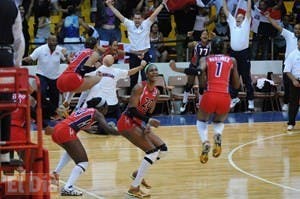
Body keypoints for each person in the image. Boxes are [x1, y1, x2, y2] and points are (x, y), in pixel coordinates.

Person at [169, 37, 240, 163]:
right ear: (224, 48)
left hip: (210, 94)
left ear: (211, 48)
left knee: (201, 121)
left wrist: (177, 69)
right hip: (224, 96)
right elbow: (236, 85)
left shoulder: (206, 59)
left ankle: (205, 141)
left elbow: (198, 72)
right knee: (218, 122)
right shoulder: (232, 60)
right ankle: (217, 135)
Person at [45, 97, 119, 196]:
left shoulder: (84, 110)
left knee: (70, 152)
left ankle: (54, 173)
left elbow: (75, 121)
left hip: (57, 129)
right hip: (66, 130)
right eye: (106, 108)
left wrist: (87, 129)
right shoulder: (96, 113)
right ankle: (68, 188)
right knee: (83, 162)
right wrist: (124, 133)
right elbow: (108, 130)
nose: (107, 110)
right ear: (102, 107)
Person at [117, 63, 168, 198]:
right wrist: (148, 121)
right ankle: (134, 188)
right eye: (151, 70)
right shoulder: (139, 87)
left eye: (156, 70)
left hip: (139, 122)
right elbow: (132, 109)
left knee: (162, 150)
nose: (154, 72)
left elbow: (149, 112)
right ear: (146, 74)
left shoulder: (156, 91)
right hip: (127, 121)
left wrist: (147, 123)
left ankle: (138, 173)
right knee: (151, 152)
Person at [106, 0, 168, 92]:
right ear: (133, 18)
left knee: (145, 79)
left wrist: (163, 4)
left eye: (139, 18)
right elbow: (119, 15)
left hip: (145, 55)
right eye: (135, 18)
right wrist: (109, 5)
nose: (137, 20)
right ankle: (132, 102)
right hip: (134, 56)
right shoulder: (129, 24)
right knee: (133, 80)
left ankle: (144, 98)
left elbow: (155, 14)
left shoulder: (146, 23)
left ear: (142, 19)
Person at [82, 55, 147, 122]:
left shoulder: (96, 71)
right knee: (117, 110)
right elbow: (130, 72)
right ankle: (120, 122)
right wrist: (141, 67)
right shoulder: (116, 71)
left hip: (98, 105)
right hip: (112, 104)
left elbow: (83, 75)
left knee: (88, 104)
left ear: (103, 61)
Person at [0, 0, 25, 163]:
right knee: (5, 104)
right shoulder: (11, 6)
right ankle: (4, 153)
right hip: (5, 56)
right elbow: (18, 39)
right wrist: (16, 64)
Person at [23, 35, 67, 120]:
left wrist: (67, 55)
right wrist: (22, 59)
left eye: (55, 41)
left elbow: (66, 59)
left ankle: (53, 114)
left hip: (55, 76)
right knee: (41, 93)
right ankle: (36, 113)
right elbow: (31, 58)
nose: (53, 43)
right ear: (47, 41)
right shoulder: (40, 49)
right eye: (51, 41)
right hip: (42, 75)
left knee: (55, 96)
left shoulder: (60, 50)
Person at [223, 0, 255, 111]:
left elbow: (249, 11)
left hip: (244, 54)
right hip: (233, 54)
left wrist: (249, 1)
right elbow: (226, 11)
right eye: (237, 16)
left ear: (244, 19)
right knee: (233, 78)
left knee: (246, 78)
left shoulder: (246, 23)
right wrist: (224, 1)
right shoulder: (232, 23)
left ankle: (250, 101)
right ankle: (234, 98)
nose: (238, 18)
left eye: (241, 17)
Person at [265, 13, 300, 112]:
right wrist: (268, 18)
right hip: (288, 65)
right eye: (296, 29)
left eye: (299, 29)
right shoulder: (289, 35)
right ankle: (286, 103)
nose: (297, 31)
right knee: (287, 85)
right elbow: (277, 26)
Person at [57, 37, 103, 108]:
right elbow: (85, 69)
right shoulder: (94, 53)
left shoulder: (79, 52)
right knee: (99, 78)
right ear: (96, 45)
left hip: (61, 79)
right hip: (72, 77)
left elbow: (79, 70)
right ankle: (81, 108)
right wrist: (95, 67)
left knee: (82, 79)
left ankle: (66, 103)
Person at [178, 29, 211, 114]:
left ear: (208, 37)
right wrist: (188, 37)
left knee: (202, 86)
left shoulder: (210, 45)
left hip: (202, 68)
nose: (205, 35)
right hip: (193, 66)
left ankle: (200, 104)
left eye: (206, 34)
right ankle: (184, 102)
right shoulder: (195, 44)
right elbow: (185, 46)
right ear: (200, 37)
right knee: (189, 84)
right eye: (203, 34)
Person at [283, 38, 300, 131]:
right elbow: (287, 70)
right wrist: (294, 80)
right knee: (293, 103)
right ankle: (291, 123)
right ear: (298, 43)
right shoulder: (292, 55)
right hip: (295, 81)